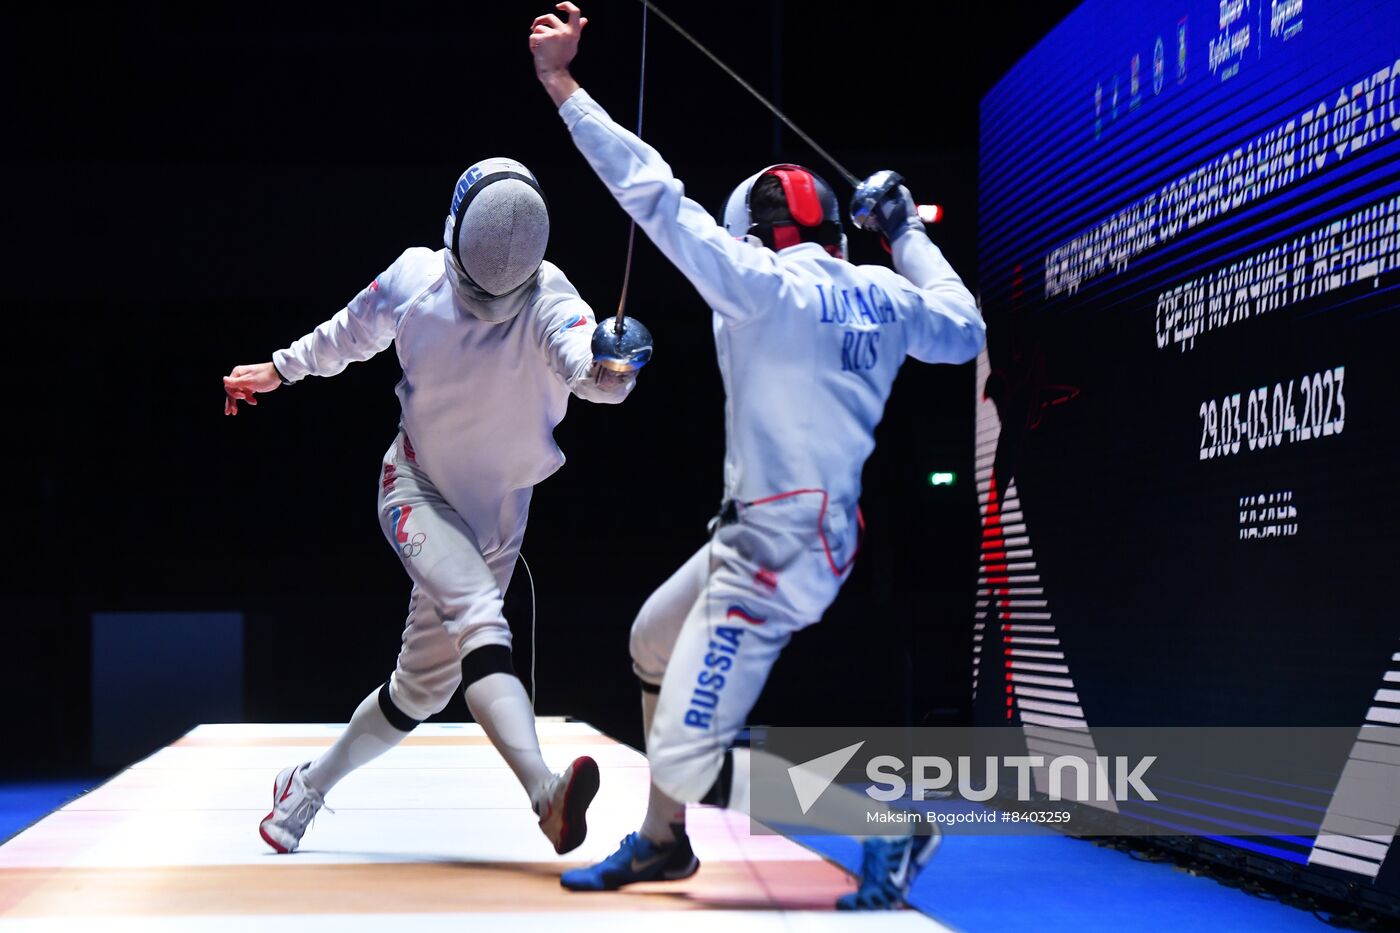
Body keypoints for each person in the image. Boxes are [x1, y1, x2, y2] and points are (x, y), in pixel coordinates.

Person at [529, 3, 985, 911]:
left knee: (688, 756)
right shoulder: (882, 292)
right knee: (651, 639)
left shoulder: (760, 284)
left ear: (751, 234)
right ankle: (664, 842)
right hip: (800, 535)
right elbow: (965, 329)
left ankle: (880, 822)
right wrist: (906, 230)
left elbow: (652, 192)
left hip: (772, 552)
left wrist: (561, 83)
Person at [223, 156, 642, 857]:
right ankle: (545, 793)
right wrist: (281, 367)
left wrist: (616, 363)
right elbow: (347, 333)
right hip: (416, 491)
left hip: (500, 521)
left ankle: (305, 786)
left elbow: (590, 371)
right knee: (481, 620)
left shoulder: (551, 297)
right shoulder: (415, 279)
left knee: (419, 689)